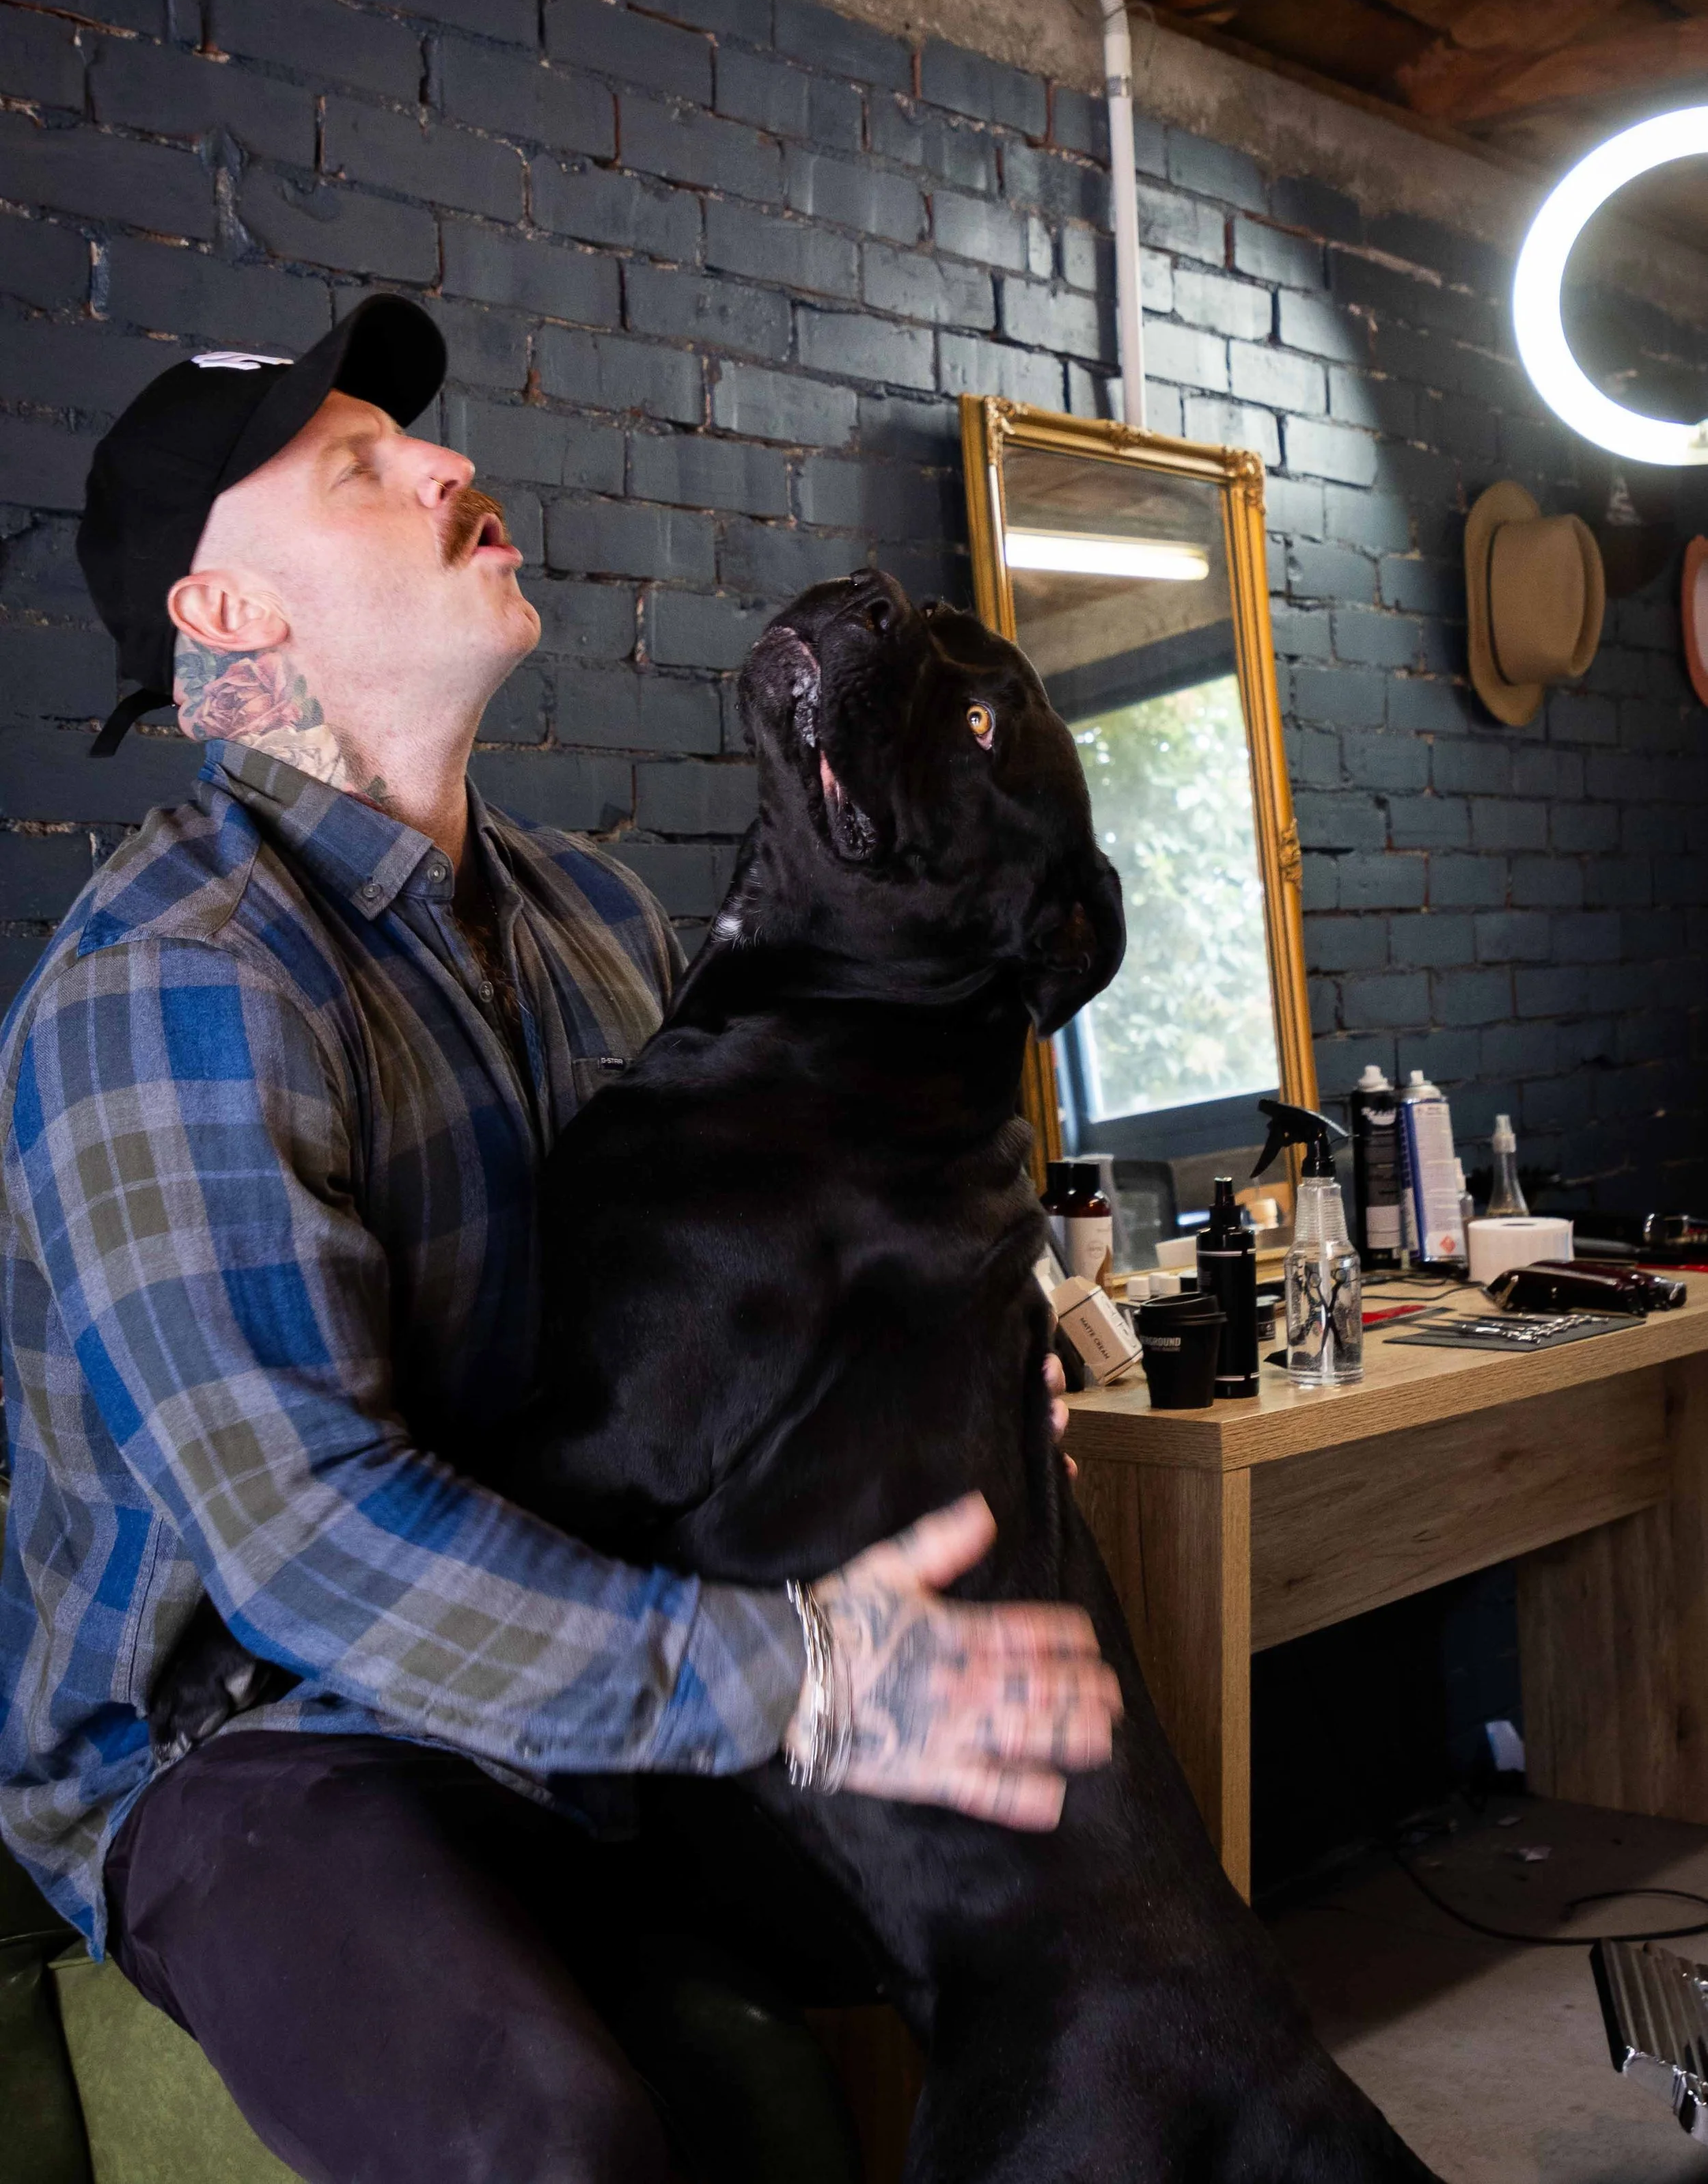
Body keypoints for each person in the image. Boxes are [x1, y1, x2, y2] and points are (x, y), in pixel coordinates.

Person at [0, 297, 1120, 2183]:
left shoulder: (591, 914)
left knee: (1035, 1943)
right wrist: (805, 1676)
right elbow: (299, 1535)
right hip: (254, 1745)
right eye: (359, 468)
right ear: (227, 618)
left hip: (550, 1700)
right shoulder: (169, 981)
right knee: (559, 2134)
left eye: (411, 440)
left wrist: (944, 1404)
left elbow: (726, 1306)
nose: (450, 465)